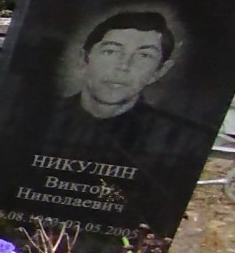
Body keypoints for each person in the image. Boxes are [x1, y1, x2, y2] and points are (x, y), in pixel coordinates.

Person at [41, 10, 203, 169]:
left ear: (160, 71)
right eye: (111, 51)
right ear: (84, 59)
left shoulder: (177, 139)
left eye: (144, 55)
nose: (124, 66)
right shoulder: (39, 118)